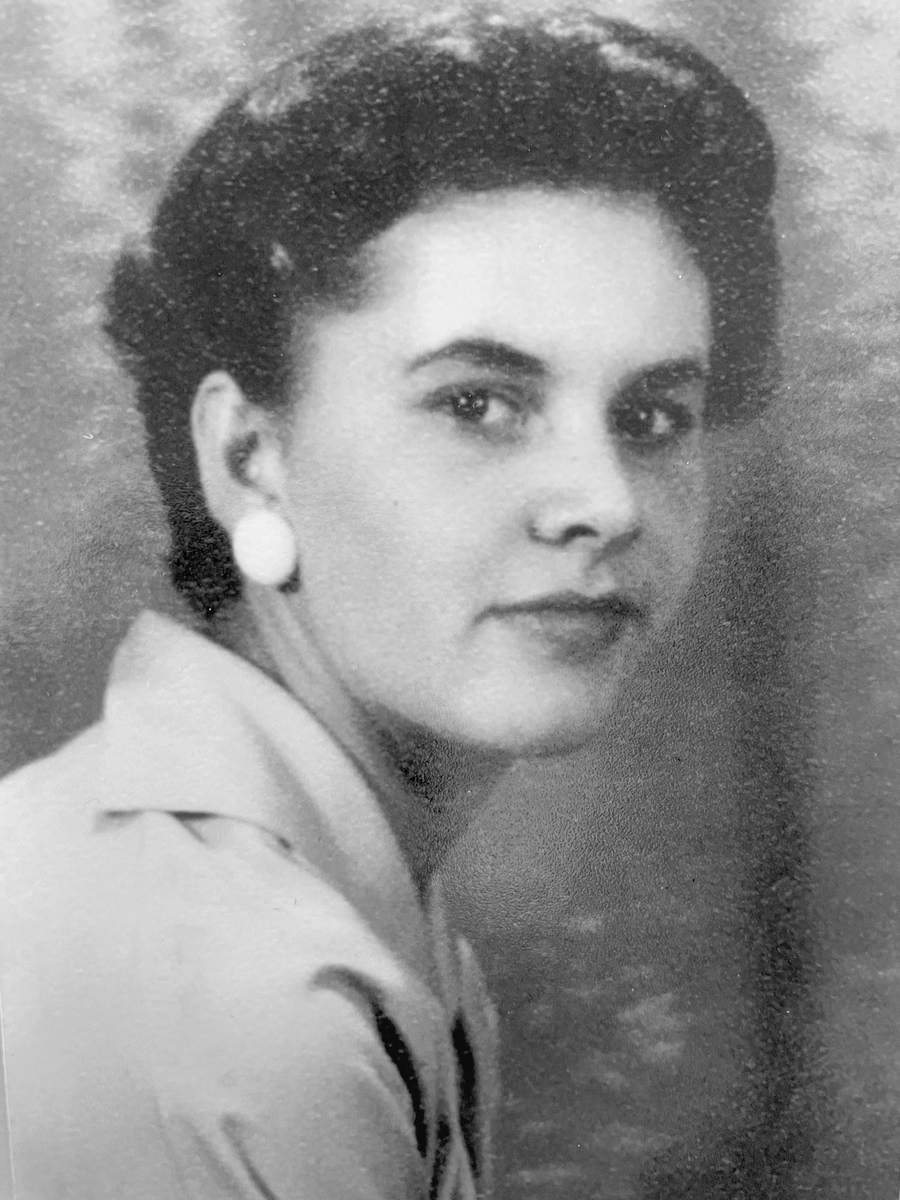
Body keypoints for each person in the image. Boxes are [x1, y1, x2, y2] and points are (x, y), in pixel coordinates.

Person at [0, 7, 780, 1198]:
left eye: (652, 415)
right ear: (250, 455)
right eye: (479, 404)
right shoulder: (242, 1005)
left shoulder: (296, 896)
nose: (607, 501)